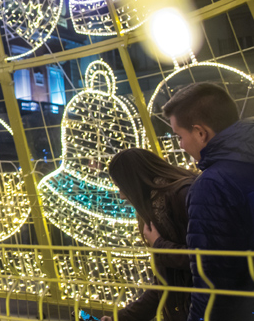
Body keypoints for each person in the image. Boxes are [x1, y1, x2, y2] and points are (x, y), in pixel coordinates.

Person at [163, 82, 254, 320]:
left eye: (179, 136)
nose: (181, 145)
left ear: (200, 132)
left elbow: (212, 279)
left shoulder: (211, 185)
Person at [96, 148, 195, 321]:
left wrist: (159, 245)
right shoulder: (157, 206)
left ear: (134, 181)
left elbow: (205, 258)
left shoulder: (180, 196)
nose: (121, 195)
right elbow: (164, 285)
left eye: (122, 186)